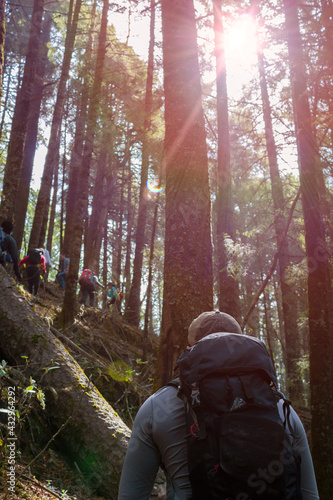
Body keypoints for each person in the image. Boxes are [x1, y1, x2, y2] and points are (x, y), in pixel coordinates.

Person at [118, 311, 319, 500]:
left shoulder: (157, 407)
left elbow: (131, 495)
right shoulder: (281, 407)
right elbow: (310, 494)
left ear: (190, 349)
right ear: (241, 345)